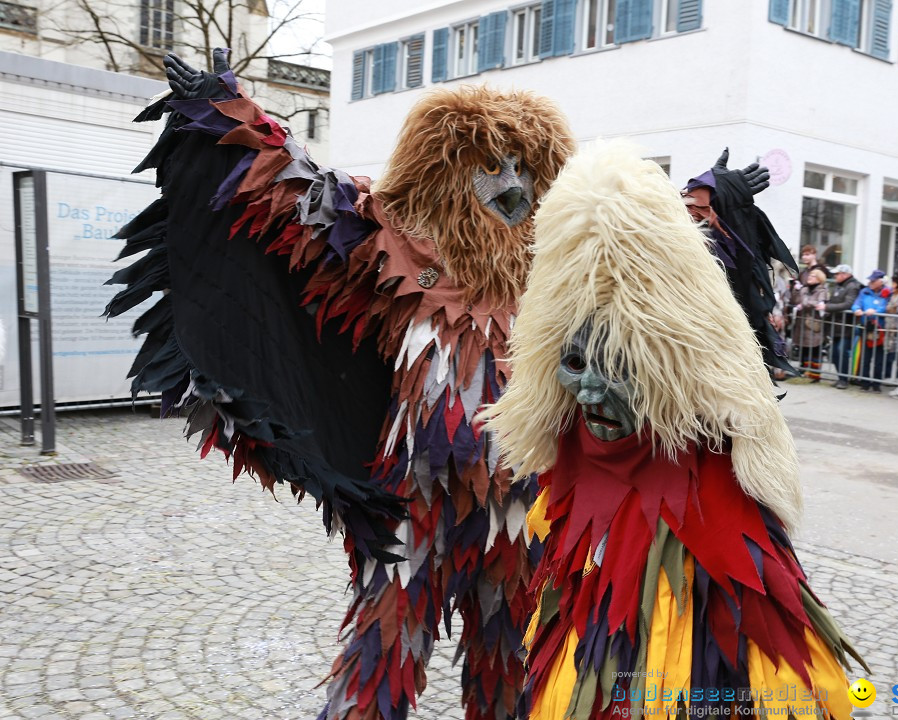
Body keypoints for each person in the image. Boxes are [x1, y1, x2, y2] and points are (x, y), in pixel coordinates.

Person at [106, 50, 578, 720]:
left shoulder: (556, 277)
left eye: (526, 168)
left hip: (519, 515)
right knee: (382, 651)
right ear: (445, 171)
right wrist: (228, 110)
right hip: (413, 508)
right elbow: (295, 197)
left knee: (514, 661)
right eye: (491, 165)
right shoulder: (398, 249)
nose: (511, 185)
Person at [481, 141, 866, 720]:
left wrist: (725, 212)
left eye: (621, 368)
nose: (589, 393)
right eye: (577, 366)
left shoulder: (716, 483)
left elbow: (724, 289)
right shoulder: (567, 453)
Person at [818, 263, 861, 389]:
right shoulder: (839, 286)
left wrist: (827, 307)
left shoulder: (853, 286)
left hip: (846, 326)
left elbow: (848, 304)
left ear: (845, 274)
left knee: (841, 351)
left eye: (837, 274)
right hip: (836, 325)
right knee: (835, 352)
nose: (835, 276)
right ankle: (841, 378)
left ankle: (844, 379)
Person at [851, 269, 890, 391]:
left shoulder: (888, 292)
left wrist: (876, 311)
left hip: (881, 329)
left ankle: (877, 384)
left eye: (874, 280)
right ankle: (865, 383)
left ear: (881, 281)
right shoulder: (864, 291)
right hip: (866, 328)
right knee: (865, 357)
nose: (871, 282)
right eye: (870, 280)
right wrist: (856, 309)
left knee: (879, 359)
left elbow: (887, 307)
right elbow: (856, 304)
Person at [791, 268, 829, 381]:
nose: (809, 278)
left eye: (813, 276)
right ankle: (804, 371)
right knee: (803, 347)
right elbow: (795, 301)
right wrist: (796, 291)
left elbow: (820, 303)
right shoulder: (804, 289)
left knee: (815, 348)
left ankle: (815, 374)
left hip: (814, 324)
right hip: (802, 323)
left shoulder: (822, 290)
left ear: (819, 278)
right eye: (809, 276)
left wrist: (805, 303)